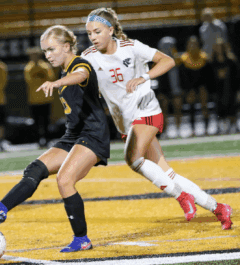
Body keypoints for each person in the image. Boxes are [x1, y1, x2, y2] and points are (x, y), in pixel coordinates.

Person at [82, 7, 232, 230]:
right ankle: (218, 208)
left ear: (110, 30)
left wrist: (144, 76)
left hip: (146, 112)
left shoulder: (132, 48)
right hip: (127, 122)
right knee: (167, 173)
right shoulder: (88, 57)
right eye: (89, 33)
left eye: (97, 31)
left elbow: (167, 61)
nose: (93, 37)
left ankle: (182, 197)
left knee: (133, 159)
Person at [0, 25, 110, 252]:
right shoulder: (64, 70)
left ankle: (81, 238)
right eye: (45, 51)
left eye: (51, 49)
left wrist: (57, 83)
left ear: (66, 46)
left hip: (92, 135)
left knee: (64, 180)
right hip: (73, 136)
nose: (48, 55)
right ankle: (0, 209)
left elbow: (81, 75)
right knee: (35, 169)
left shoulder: (78, 64)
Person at [179, 36, 213, 135]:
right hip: (190, 87)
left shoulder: (204, 57)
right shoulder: (184, 59)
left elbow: (208, 75)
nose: (193, 46)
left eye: (195, 44)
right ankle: (193, 130)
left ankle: (206, 129)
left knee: (204, 106)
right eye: (191, 44)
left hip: (202, 86)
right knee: (191, 108)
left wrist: (206, 88)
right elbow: (183, 76)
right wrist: (187, 90)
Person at [24, 46, 56, 147]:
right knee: (36, 122)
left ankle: (47, 139)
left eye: (35, 55)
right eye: (32, 55)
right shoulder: (28, 68)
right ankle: (38, 140)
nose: (34, 57)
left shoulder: (46, 66)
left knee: (46, 121)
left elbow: (51, 79)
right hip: (34, 99)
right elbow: (29, 82)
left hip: (46, 98)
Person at [209, 37, 240, 134]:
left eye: (220, 46)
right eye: (217, 47)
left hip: (230, 88)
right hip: (218, 89)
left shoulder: (231, 61)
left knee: (232, 107)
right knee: (219, 107)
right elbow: (209, 78)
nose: (219, 49)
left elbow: (237, 77)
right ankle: (221, 127)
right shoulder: (212, 62)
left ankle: (234, 126)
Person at [156, 36, 183, 138]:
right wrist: (160, 92)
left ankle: (178, 129)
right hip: (165, 90)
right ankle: (165, 130)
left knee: (178, 108)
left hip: (176, 88)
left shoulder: (179, 60)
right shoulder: (158, 62)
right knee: (164, 111)